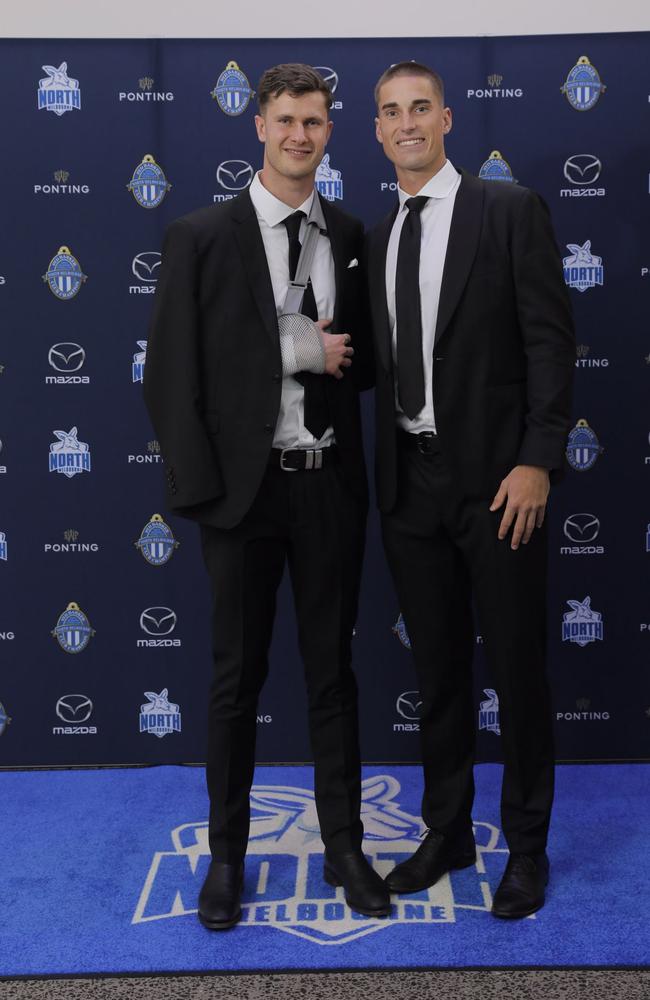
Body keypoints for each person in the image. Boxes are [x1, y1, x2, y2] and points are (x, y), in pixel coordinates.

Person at [143, 63, 388, 930]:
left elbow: (360, 367)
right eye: (285, 120)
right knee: (233, 685)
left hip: (328, 490)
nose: (299, 136)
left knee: (333, 680)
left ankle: (346, 848)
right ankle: (226, 860)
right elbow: (174, 377)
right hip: (242, 500)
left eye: (314, 122)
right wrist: (294, 354)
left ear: (330, 131)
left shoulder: (352, 231)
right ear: (258, 126)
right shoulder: (201, 235)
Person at [367, 62, 575, 918]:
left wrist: (537, 459)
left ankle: (525, 849)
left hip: (499, 483)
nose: (407, 123)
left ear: (447, 118)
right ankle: (447, 832)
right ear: (376, 131)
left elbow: (550, 344)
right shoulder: (376, 231)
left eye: (421, 107)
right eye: (391, 112)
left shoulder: (508, 208)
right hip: (410, 485)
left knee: (519, 669)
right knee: (440, 671)